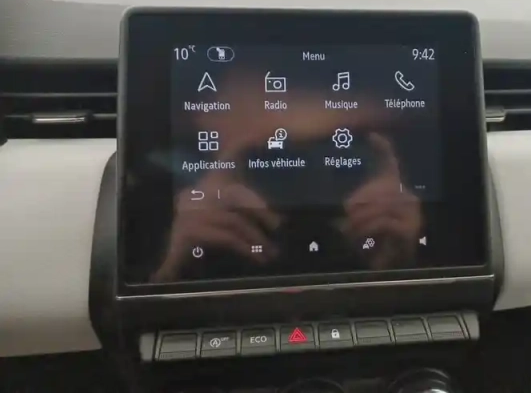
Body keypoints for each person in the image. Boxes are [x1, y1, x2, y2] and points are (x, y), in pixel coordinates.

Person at [152, 71, 423, 282]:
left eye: (333, 155)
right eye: (270, 158)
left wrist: (402, 264)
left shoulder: (398, 217)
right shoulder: (162, 206)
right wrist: (177, 270)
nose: (306, 181)